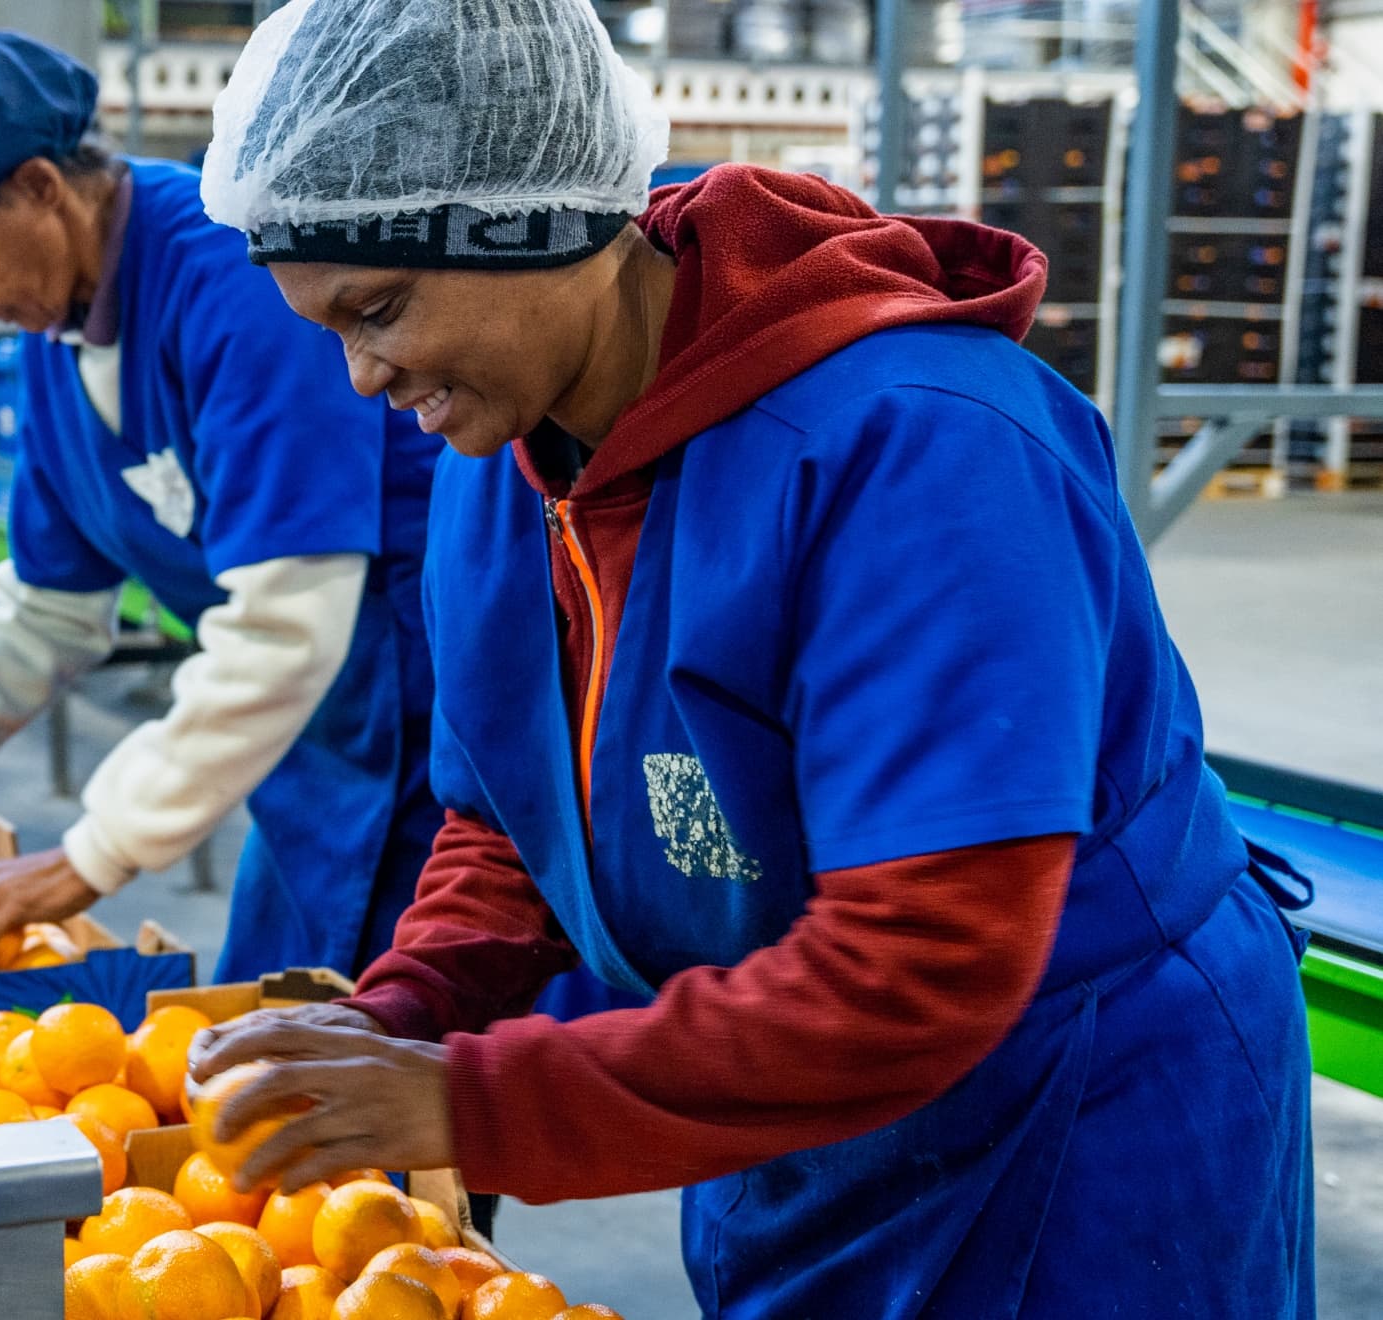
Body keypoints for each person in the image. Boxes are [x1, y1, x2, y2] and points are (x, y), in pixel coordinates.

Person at [184, 1, 1315, 1315]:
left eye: (376, 311)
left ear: (523, 224)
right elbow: (508, 821)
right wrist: (405, 1009)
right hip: (777, 1075)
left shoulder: (916, 446)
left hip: (1072, 1115)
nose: (360, 378)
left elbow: (927, 960)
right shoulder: (506, 465)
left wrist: (468, 1101)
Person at [0, 30, 443, 984]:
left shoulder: (238, 280)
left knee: (419, 1027)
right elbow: (50, 605)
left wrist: (94, 855)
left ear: (41, 187)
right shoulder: (61, 335)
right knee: (285, 1020)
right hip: (311, 749)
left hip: (439, 738)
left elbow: (289, 618)